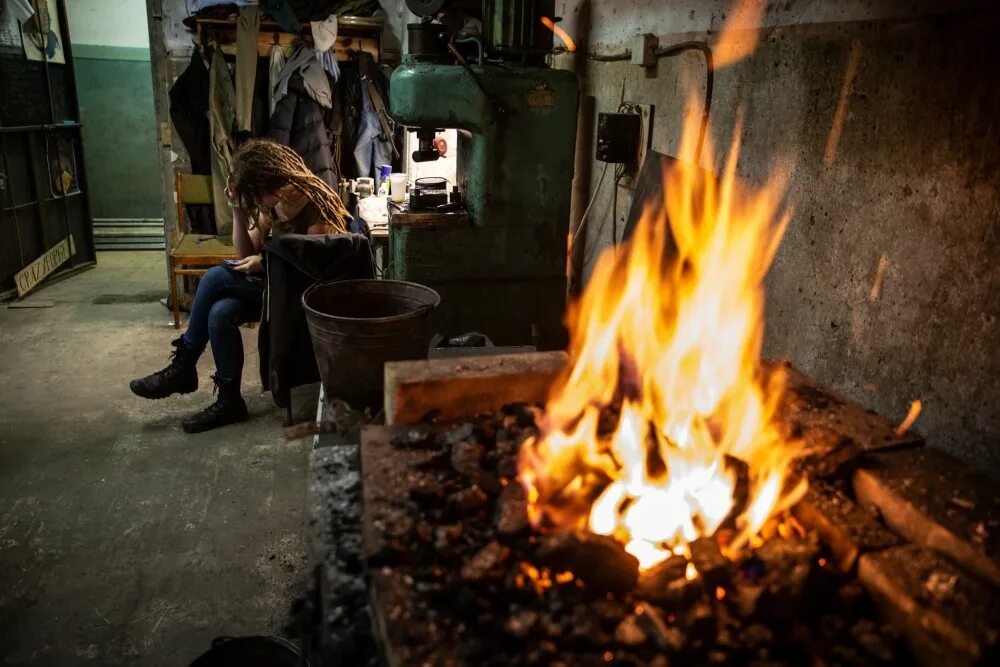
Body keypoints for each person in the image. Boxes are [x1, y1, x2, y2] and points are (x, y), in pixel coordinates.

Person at [130, 139, 352, 433]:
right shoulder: (272, 204)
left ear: (273, 182)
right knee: (220, 312)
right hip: (275, 286)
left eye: (257, 195)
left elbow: (313, 270)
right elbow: (244, 253)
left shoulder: (314, 204)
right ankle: (229, 401)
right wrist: (236, 209)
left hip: (301, 293)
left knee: (214, 278)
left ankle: (183, 366)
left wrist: (264, 262)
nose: (258, 202)